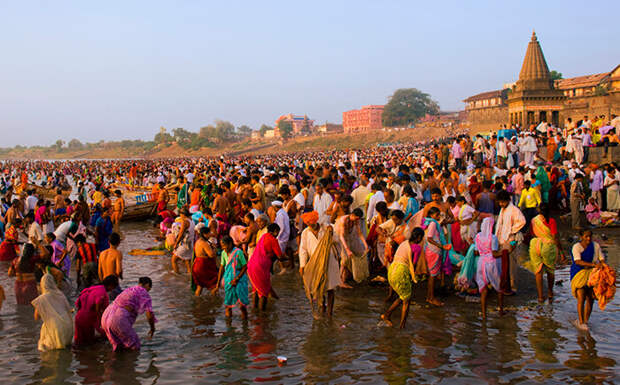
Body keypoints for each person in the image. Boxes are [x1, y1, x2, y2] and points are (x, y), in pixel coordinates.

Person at [381, 227, 424, 328]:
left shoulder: (404, 243)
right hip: (401, 272)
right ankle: (402, 326)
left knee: (403, 296)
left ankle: (387, 315)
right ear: (419, 238)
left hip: (392, 270)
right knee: (406, 300)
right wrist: (415, 276)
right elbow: (414, 264)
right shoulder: (416, 247)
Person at [299, 211, 339, 317]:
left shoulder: (326, 228)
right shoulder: (305, 233)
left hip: (328, 261)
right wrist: (302, 265)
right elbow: (303, 249)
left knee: (330, 287)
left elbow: (337, 239)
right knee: (317, 286)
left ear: (316, 221)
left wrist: (331, 232)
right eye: (308, 224)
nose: (310, 225)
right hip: (314, 262)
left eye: (312, 223)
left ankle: (330, 312)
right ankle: (322, 306)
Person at [101, 277, 156, 351]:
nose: (148, 291)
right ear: (147, 285)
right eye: (149, 289)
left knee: (118, 347)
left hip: (106, 316)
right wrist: (152, 328)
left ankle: (114, 362)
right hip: (118, 319)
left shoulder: (130, 290)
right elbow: (149, 314)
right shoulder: (144, 292)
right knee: (135, 346)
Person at [570, 230, 606, 331]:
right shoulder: (576, 247)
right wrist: (594, 265)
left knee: (591, 298)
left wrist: (603, 265)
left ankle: (585, 321)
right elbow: (578, 261)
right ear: (581, 237)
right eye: (586, 236)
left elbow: (601, 258)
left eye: (590, 236)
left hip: (592, 275)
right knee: (581, 297)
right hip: (579, 274)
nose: (588, 239)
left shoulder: (596, 246)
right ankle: (581, 322)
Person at [528, 203, 563, 303]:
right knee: (550, 270)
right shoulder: (551, 221)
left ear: (539, 210)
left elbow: (532, 233)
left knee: (538, 271)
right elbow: (555, 238)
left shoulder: (534, 220)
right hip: (548, 246)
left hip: (535, 244)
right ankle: (550, 293)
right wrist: (561, 252)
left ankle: (540, 296)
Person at [31, 274, 73, 351]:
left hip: (55, 329)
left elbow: (36, 317)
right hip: (68, 326)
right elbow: (68, 309)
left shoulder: (41, 299)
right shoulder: (60, 294)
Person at [495, 190, 526, 295]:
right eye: (499, 202)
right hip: (501, 240)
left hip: (511, 241)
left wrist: (511, 231)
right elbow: (499, 225)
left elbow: (522, 221)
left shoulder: (514, 210)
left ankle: (513, 287)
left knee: (511, 264)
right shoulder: (502, 210)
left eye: (502, 202)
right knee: (503, 264)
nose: (500, 204)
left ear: (507, 200)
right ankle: (504, 284)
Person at [246, 223, 283, 310]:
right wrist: (288, 258)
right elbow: (280, 256)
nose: (278, 234)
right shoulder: (273, 240)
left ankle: (254, 310)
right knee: (263, 292)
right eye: (278, 232)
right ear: (275, 231)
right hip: (260, 267)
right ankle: (262, 315)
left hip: (251, 264)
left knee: (256, 289)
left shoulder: (264, 236)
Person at [74, 275, 119, 346]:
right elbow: (98, 309)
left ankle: (77, 356)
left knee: (79, 342)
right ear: (111, 285)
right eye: (114, 287)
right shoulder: (102, 293)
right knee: (90, 343)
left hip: (79, 317)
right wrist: (102, 323)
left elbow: (78, 303)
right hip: (89, 319)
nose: (113, 289)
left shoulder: (92, 288)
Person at [214, 236, 249, 319]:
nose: (223, 248)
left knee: (242, 306)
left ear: (230, 244)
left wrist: (237, 279)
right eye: (222, 246)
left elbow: (245, 266)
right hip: (229, 280)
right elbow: (222, 268)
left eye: (224, 245)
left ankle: (245, 325)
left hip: (240, 280)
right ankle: (228, 327)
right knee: (228, 305)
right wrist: (217, 284)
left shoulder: (238, 252)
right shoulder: (223, 253)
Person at [334, 208, 369, 285]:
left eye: (358, 219)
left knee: (356, 253)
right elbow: (341, 236)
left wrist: (365, 245)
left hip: (348, 236)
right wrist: (347, 250)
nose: (357, 220)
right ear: (352, 215)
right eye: (356, 218)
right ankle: (340, 281)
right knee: (344, 260)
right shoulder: (344, 220)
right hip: (340, 237)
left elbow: (359, 233)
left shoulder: (356, 221)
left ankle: (344, 278)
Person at [192, 226, 218, 297]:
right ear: (204, 234)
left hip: (197, 264)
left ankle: (197, 302)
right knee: (214, 284)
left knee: (200, 286)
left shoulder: (198, 241)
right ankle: (214, 301)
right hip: (204, 266)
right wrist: (214, 248)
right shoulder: (204, 243)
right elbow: (211, 255)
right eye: (209, 233)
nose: (210, 235)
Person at [171, 208, 194, 274]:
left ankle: (177, 275)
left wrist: (176, 243)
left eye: (180, 214)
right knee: (187, 261)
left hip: (185, 244)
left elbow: (181, 234)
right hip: (190, 243)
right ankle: (189, 276)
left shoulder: (185, 221)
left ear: (183, 214)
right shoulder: (191, 220)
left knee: (174, 260)